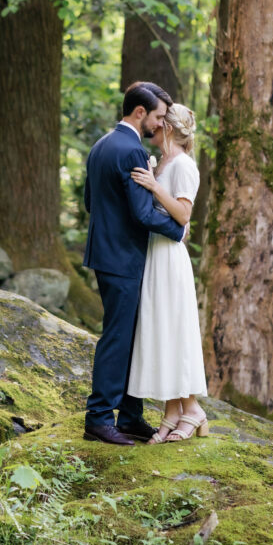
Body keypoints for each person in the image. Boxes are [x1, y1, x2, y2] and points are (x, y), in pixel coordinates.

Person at [83, 81, 186, 446]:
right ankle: (99, 417)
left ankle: (129, 416)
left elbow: (89, 203)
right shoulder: (131, 151)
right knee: (118, 336)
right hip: (124, 257)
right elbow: (143, 213)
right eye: (158, 116)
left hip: (106, 252)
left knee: (130, 334)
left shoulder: (101, 145)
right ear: (139, 112)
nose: (160, 124)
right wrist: (178, 228)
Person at [127, 103, 209, 443]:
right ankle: (172, 411)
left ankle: (192, 409)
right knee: (161, 331)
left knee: (175, 330)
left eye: (161, 121)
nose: (154, 125)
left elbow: (183, 216)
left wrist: (155, 187)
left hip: (170, 257)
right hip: (153, 254)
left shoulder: (185, 166)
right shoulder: (161, 162)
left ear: (170, 129)